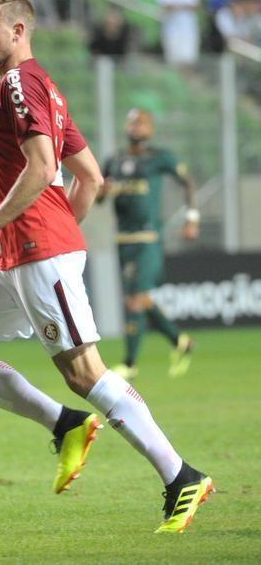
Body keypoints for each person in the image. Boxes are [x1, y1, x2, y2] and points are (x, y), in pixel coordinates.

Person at [0, 0, 212, 535]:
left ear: (18, 32)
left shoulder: (20, 83)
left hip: (36, 251)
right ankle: (64, 424)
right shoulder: (46, 90)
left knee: (85, 371)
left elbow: (40, 169)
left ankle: (181, 476)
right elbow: (91, 178)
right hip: (26, 256)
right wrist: (55, 234)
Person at [98, 109, 198, 380]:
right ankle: (180, 342)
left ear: (151, 129)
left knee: (135, 300)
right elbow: (98, 196)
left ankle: (129, 364)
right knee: (138, 300)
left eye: (142, 122)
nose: (137, 126)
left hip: (148, 237)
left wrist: (192, 219)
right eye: (132, 121)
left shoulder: (159, 157)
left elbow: (187, 181)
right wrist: (101, 191)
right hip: (123, 238)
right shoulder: (115, 160)